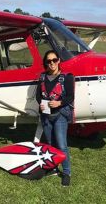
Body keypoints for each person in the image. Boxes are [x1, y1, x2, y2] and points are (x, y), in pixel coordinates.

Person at [36, 50, 74, 187]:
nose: (52, 63)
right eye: (48, 61)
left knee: (62, 145)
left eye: (54, 60)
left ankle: (67, 173)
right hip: (46, 115)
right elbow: (38, 95)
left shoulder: (67, 77)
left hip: (60, 115)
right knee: (50, 144)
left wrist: (59, 103)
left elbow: (70, 97)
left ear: (59, 61)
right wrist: (40, 104)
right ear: (45, 63)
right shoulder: (42, 77)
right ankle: (53, 168)